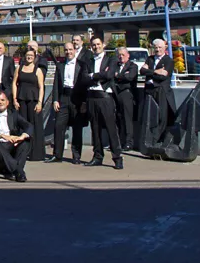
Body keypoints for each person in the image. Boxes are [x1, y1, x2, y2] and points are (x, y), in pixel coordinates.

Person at [82, 36, 123, 169]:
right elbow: (83, 78)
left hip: (105, 97)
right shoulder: (88, 60)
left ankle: (117, 157)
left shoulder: (111, 59)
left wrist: (93, 75)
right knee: (95, 128)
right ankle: (97, 156)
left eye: (98, 44)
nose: (96, 47)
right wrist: (99, 75)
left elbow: (109, 75)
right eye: (93, 45)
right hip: (91, 97)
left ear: (103, 45)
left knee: (111, 128)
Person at [46, 42, 86, 164]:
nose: (68, 52)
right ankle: (57, 155)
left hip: (76, 98)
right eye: (66, 50)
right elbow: (56, 84)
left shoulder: (81, 65)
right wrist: (55, 99)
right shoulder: (60, 65)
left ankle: (76, 156)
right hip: (63, 97)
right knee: (59, 126)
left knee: (77, 129)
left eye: (70, 49)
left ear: (75, 50)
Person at [0, 91, 32, 182]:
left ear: (7, 102)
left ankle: (11, 170)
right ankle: (18, 171)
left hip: (10, 144)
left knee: (26, 142)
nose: (0, 102)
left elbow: (28, 126)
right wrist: (2, 136)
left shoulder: (13, 113)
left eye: (2, 100)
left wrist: (21, 137)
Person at [12, 47, 46, 161]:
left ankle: (35, 153)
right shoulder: (19, 68)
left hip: (34, 101)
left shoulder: (38, 70)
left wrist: (40, 102)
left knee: (34, 126)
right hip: (21, 100)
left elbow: (41, 87)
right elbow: (14, 84)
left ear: (35, 57)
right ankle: (22, 152)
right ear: (24, 56)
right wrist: (14, 99)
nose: (29, 57)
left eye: (31, 55)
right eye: (27, 55)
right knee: (22, 126)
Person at [142, 38, 174, 143]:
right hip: (149, 90)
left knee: (162, 116)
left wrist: (149, 73)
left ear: (165, 48)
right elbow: (142, 71)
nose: (158, 50)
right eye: (156, 47)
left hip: (161, 91)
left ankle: (157, 139)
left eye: (160, 47)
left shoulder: (168, 60)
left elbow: (164, 76)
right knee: (149, 115)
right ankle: (149, 138)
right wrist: (156, 71)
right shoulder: (150, 58)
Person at [114, 47, 140, 150]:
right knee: (118, 118)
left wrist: (118, 76)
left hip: (127, 94)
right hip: (116, 94)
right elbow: (110, 75)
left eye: (123, 55)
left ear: (128, 55)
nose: (121, 57)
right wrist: (121, 76)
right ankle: (119, 141)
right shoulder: (116, 66)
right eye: (119, 55)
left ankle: (129, 142)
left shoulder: (133, 66)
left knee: (127, 119)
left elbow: (130, 77)